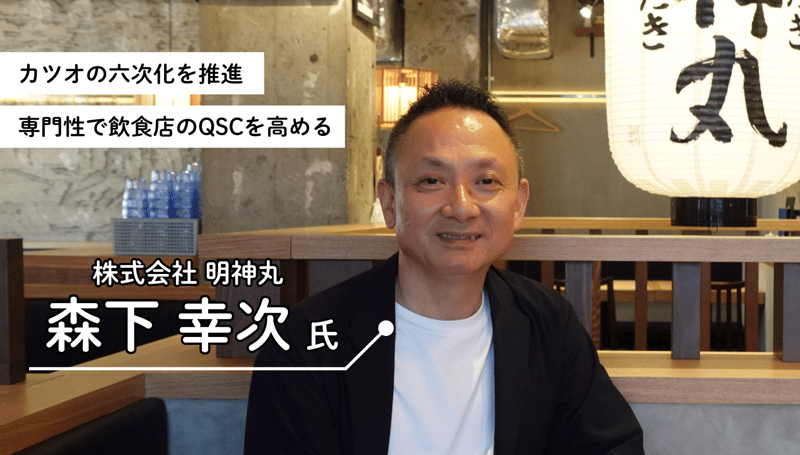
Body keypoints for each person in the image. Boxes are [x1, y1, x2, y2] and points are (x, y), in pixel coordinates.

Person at [244, 80, 644, 454]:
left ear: (519, 204)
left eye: (486, 181)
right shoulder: (306, 340)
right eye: (432, 181)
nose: (462, 208)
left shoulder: (548, 322)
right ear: (389, 202)